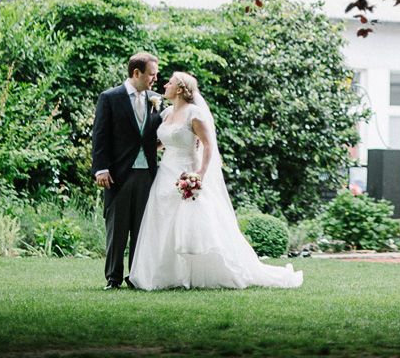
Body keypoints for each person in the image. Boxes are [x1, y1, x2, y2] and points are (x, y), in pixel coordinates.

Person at [128, 71, 303, 290]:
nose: (165, 85)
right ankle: (166, 275)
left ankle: (202, 274)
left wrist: (199, 174)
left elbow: (208, 145)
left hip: (187, 171)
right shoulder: (165, 113)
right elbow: (165, 142)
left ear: (180, 89)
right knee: (163, 222)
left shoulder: (195, 114)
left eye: (170, 82)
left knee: (192, 224)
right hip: (166, 173)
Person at [91, 52, 164, 290]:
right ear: (136, 73)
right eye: (152, 74)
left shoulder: (156, 99)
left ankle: (136, 276)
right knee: (118, 227)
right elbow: (100, 136)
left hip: (148, 174)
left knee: (142, 228)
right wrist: (101, 169)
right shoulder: (110, 98)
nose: (155, 79)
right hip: (119, 173)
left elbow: (161, 132)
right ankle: (113, 278)